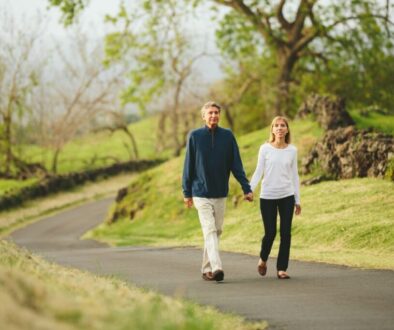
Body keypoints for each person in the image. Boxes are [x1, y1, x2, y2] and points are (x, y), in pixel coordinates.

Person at [182, 101, 253, 282]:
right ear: (203, 116)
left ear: (219, 115)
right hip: (200, 192)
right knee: (210, 229)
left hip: (220, 192)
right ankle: (217, 267)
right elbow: (188, 166)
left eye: (216, 113)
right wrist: (187, 192)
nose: (213, 116)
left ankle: (206, 268)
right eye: (210, 113)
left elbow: (236, 164)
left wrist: (246, 188)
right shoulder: (195, 136)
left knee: (216, 230)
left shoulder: (227, 136)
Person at [249, 116, 301, 279]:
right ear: (272, 130)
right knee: (270, 233)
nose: (279, 128)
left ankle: (281, 268)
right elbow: (259, 171)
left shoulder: (292, 150)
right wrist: (249, 189)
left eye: (282, 125)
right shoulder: (265, 149)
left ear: (287, 130)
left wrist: (297, 200)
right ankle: (263, 259)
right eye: (276, 126)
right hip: (268, 196)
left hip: (287, 195)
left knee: (286, 233)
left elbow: (295, 176)